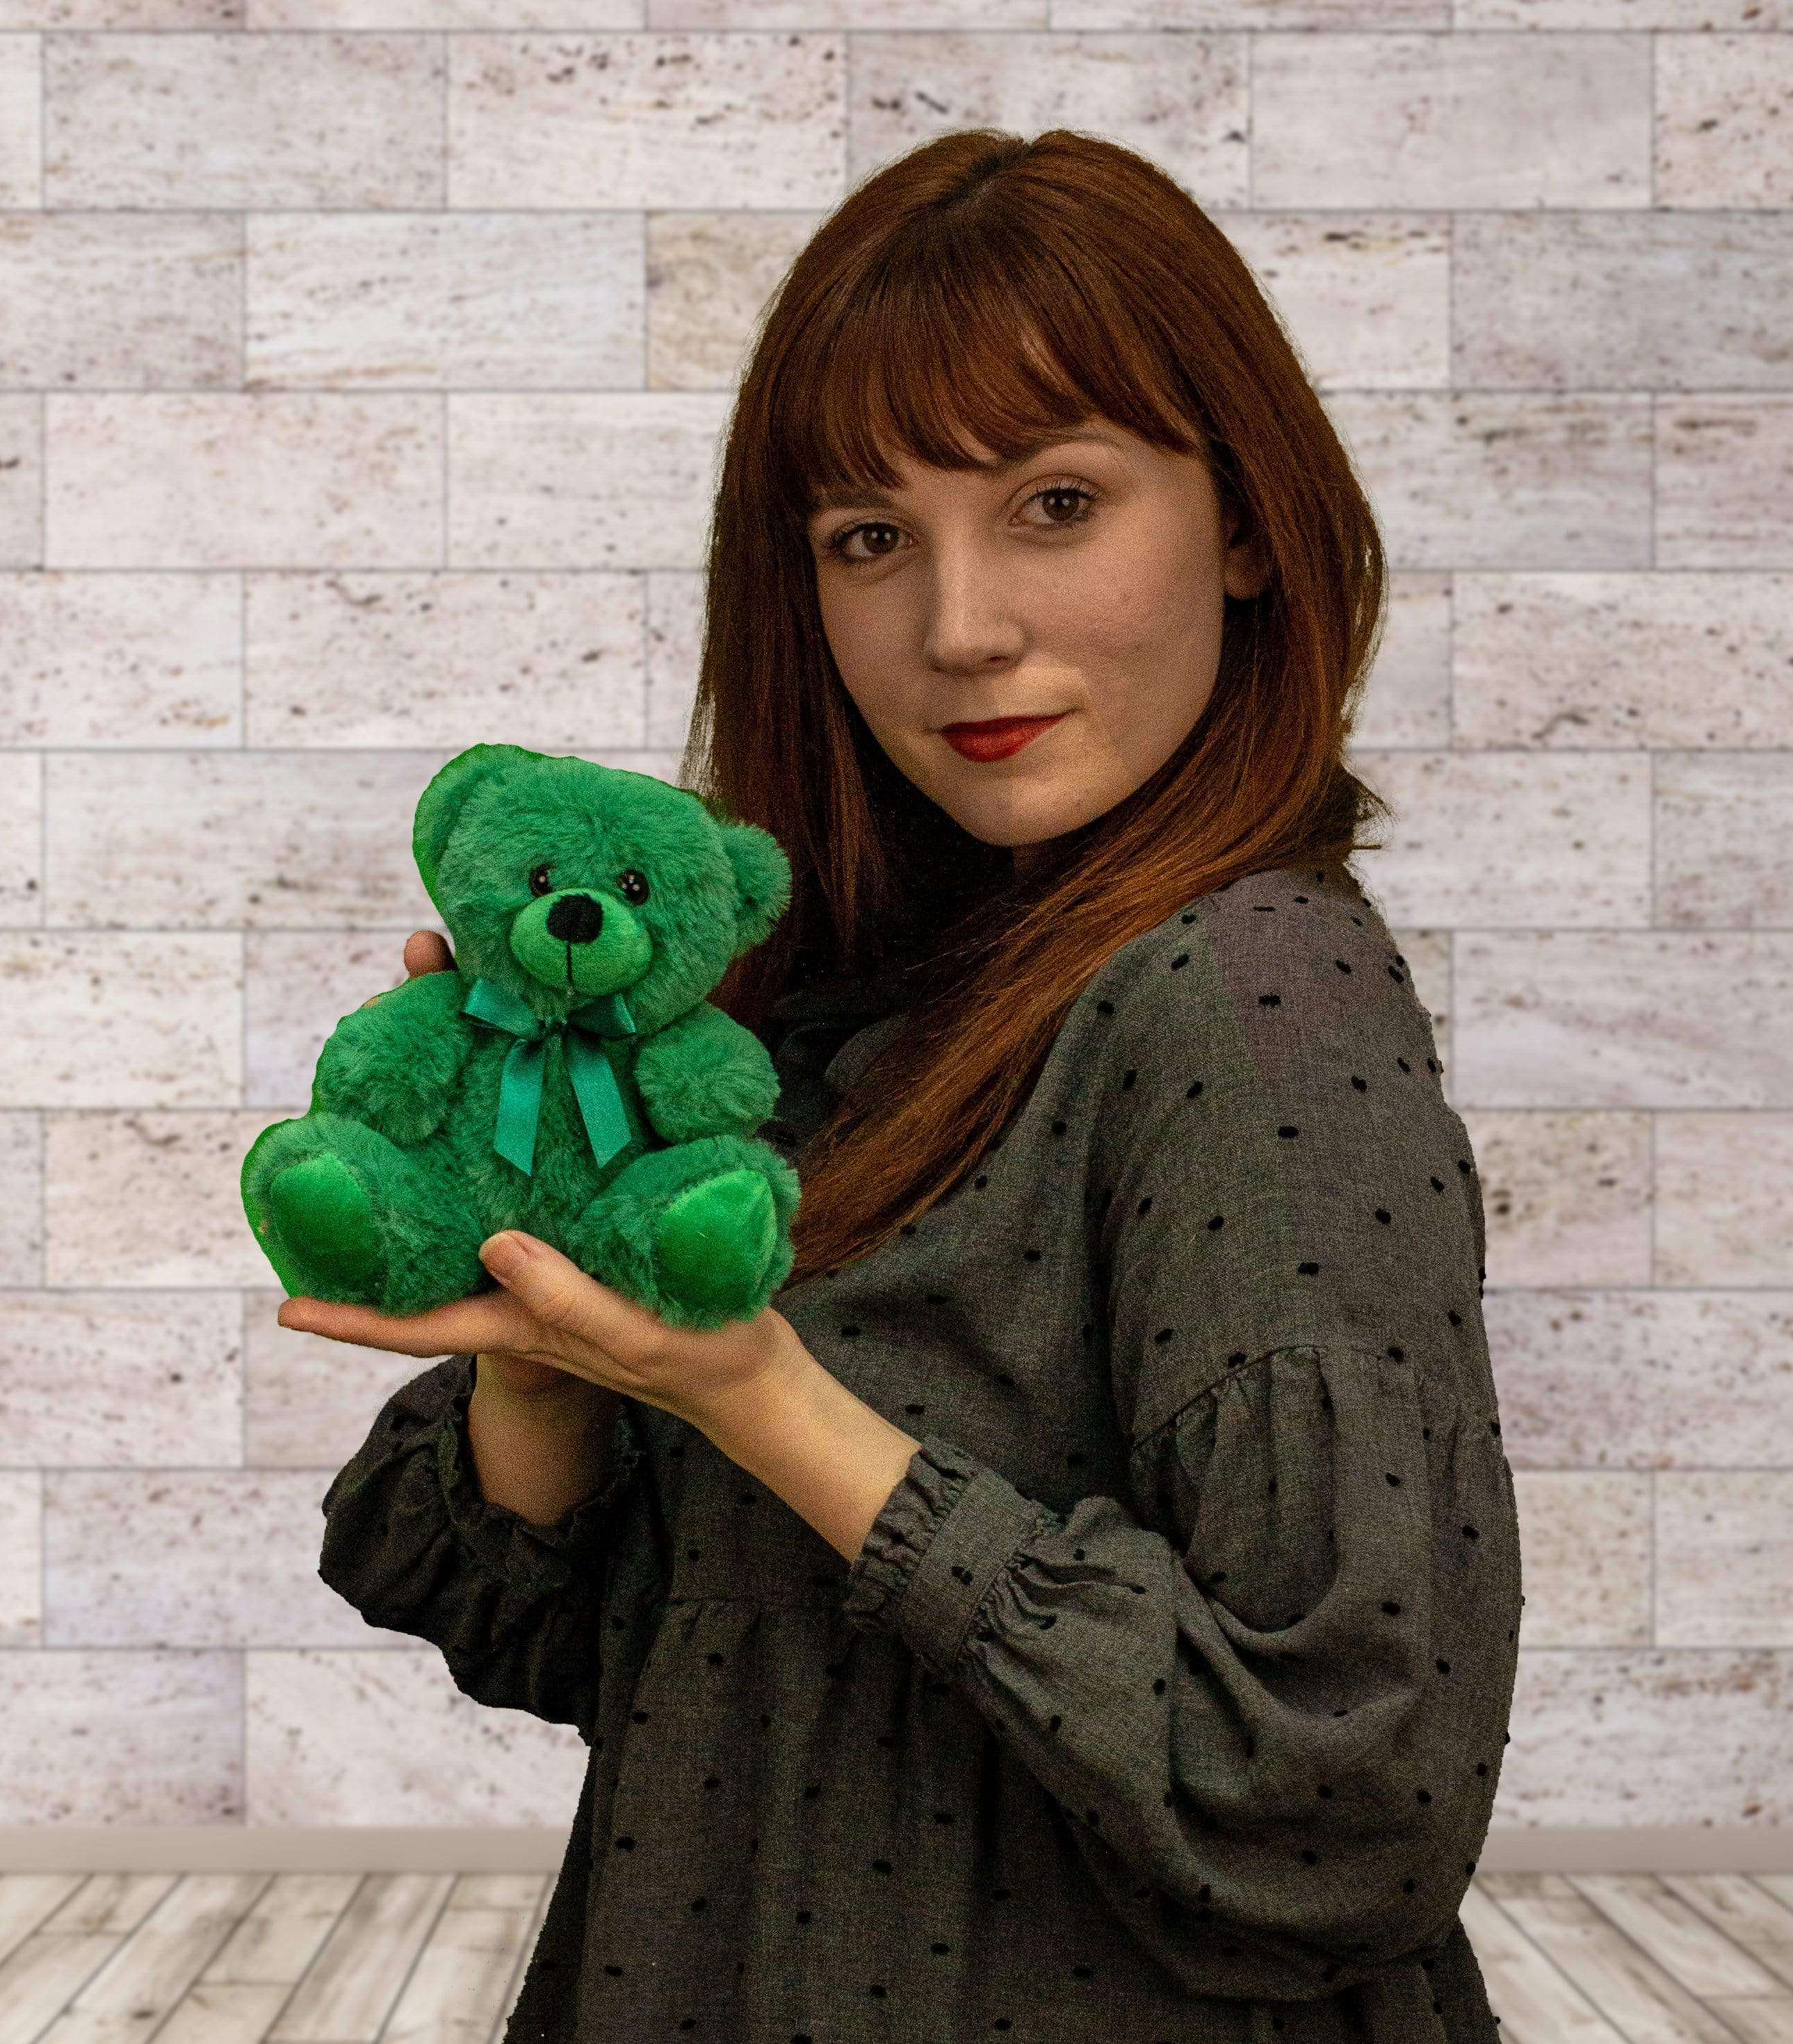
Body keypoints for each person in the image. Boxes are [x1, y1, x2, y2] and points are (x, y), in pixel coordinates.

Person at [298, 127, 1523, 2043]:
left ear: (1246, 522)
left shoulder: (1246, 991)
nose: (957, 625)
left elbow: (1339, 1801)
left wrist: (767, 1398)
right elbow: (596, 1638)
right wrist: (545, 1340)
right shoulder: (857, 1008)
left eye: (1052, 502)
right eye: (868, 535)